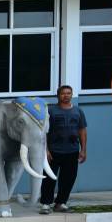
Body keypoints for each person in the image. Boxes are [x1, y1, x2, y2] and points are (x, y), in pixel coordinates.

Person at [39, 85, 88, 213]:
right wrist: (45, 150)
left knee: (68, 179)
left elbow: (82, 131)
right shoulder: (50, 111)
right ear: (58, 95)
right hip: (53, 151)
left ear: (72, 95)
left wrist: (83, 150)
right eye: (63, 93)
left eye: (68, 93)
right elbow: (43, 132)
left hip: (72, 151)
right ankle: (45, 204)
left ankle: (60, 203)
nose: (66, 96)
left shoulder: (78, 111)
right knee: (49, 178)